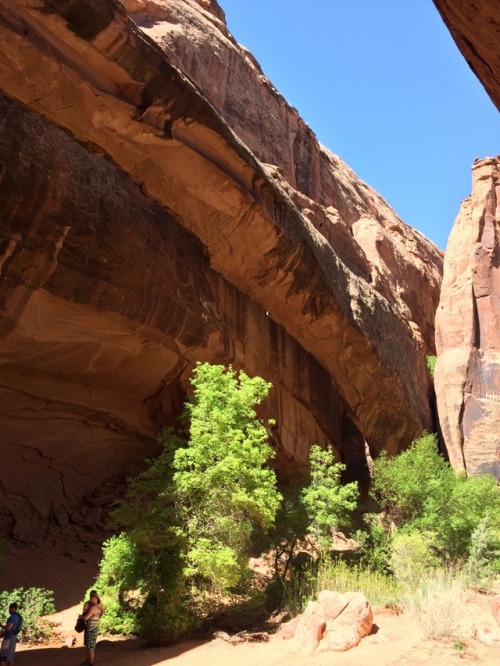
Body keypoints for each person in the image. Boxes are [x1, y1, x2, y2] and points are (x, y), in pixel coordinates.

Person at [78, 591, 104, 666]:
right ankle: (88, 660)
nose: (91, 598)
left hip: (91, 629)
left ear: (96, 598)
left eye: (92, 596)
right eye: (90, 596)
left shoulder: (93, 607)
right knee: (88, 646)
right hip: (92, 628)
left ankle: (91, 663)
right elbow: (99, 617)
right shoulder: (100, 608)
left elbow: (86, 618)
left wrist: (80, 617)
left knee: (90, 648)